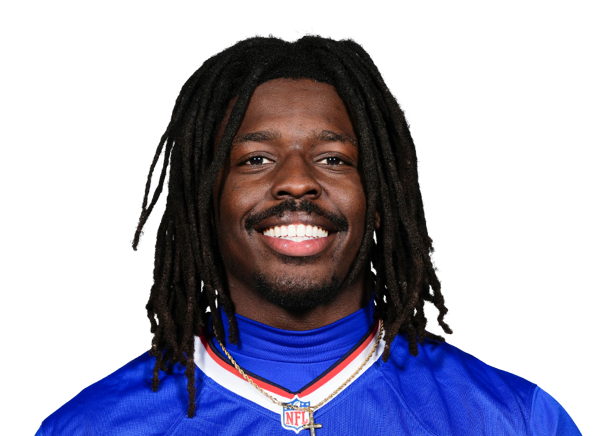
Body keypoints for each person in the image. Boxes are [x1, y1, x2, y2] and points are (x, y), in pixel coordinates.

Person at [35, 33, 581, 435]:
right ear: (206, 200)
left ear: (378, 198)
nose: (297, 181)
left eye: (333, 158)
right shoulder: (91, 428)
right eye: (255, 158)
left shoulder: (515, 419)